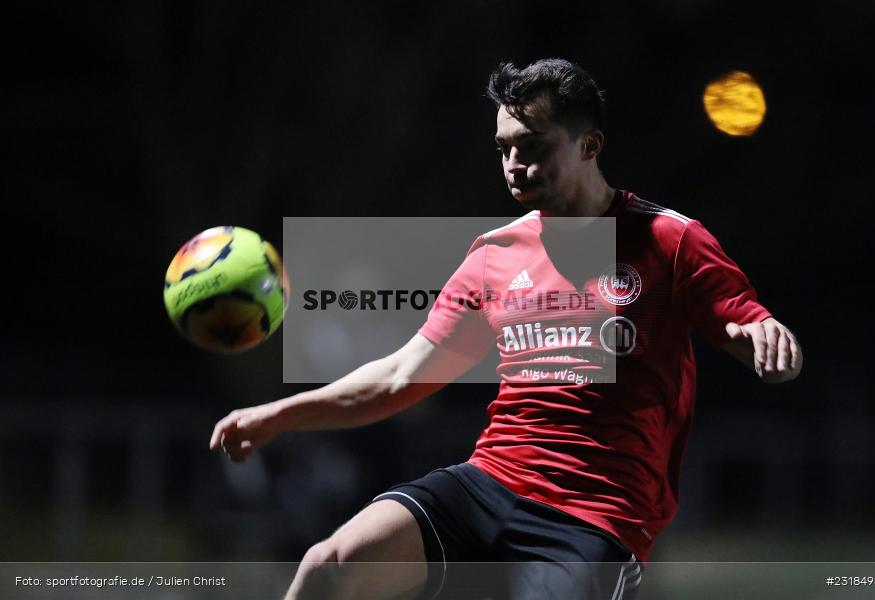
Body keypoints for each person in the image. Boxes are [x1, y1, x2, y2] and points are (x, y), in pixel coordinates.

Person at [209, 58, 802, 600]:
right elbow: (399, 376)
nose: (515, 164)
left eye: (533, 146)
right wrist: (277, 416)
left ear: (590, 144)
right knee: (327, 566)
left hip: (596, 515)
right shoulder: (495, 255)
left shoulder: (670, 241)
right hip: (489, 481)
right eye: (503, 148)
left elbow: (749, 323)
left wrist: (767, 338)